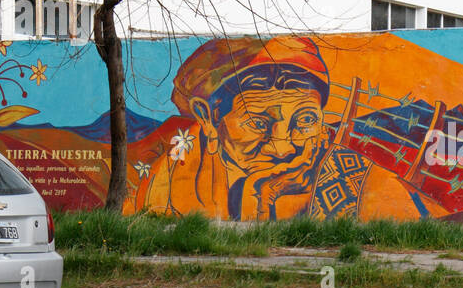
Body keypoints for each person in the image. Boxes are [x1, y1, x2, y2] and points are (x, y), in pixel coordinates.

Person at [129, 36, 421, 221]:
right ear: (208, 119)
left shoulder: (363, 185)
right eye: (258, 123)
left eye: (305, 120)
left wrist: (265, 197)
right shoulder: (171, 173)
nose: (283, 147)